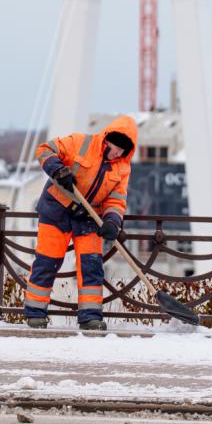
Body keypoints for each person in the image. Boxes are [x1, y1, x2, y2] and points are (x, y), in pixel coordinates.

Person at [24, 115, 138, 331]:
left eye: (123, 151)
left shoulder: (122, 168)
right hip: (56, 209)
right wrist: (58, 170)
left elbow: (116, 199)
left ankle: (90, 316)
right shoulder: (80, 143)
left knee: (91, 266)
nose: (117, 154)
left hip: (88, 217)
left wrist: (112, 222)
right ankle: (35, 313)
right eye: (115, 148)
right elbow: (44, 149)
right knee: (47, 261)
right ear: (107, 139)